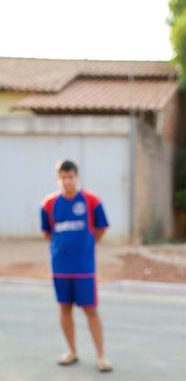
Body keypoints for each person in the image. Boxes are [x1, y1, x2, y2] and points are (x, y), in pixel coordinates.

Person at [41, 159, 113, 372]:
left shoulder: (91, 201)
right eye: (63, 177)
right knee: (64, 308)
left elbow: (101, 228)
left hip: (84, 268)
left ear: (77, 177)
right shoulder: (48, 204)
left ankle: (101, 356)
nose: (67, 181)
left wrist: (87, 244)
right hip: (60, 267)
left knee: (91, 310)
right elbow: (47, 233)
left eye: (71, 176)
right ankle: (72, 351)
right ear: (58, 179)